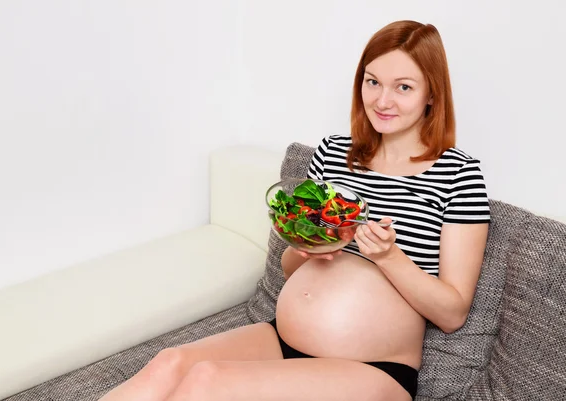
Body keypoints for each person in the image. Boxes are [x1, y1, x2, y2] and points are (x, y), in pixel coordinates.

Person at [99, 20, 490, 401]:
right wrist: (310, 248)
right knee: (171, 364)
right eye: (372, 81)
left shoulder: (458, 173)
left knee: (207, 381)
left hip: (371, 369)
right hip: (283, 339)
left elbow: (452, 312)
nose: (382, 100)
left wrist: (389, 258)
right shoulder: (333, 154)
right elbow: (293, 267)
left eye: (403, 87)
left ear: (432, 94)